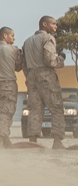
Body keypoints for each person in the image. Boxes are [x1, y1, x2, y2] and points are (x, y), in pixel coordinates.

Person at [21, 16, 67, 149]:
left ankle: (32, 141)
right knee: (56, 108)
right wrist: (61, 59)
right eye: (53, 24)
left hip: (31, 76)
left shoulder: (27, 41)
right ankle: (57, 141)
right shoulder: (48, 39)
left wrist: (29, 76)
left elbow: (24, 64)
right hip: (46, 76)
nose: (55, 26)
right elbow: (50, 60)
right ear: (44, 24)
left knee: (35, 109)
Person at [0, 27, 23, 148]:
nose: (14, 38)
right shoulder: (13, 50)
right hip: (8, 84)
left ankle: (5, 141)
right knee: (6, 114)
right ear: (5, 36)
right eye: (12, 35)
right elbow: (18, 67)